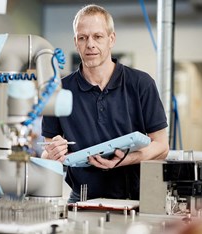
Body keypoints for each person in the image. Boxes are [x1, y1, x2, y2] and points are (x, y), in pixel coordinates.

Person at [41, 4, 169, 203]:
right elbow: (47, 150)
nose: (90, 44)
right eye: (82, 38)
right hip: (80, 199)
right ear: (76, 42)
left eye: (98, 36)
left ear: (111, 39)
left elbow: (161, 146)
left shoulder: (141, 84)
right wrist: (52, 153)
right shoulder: (58, 90)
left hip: (135, 199)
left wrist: (126, 160)